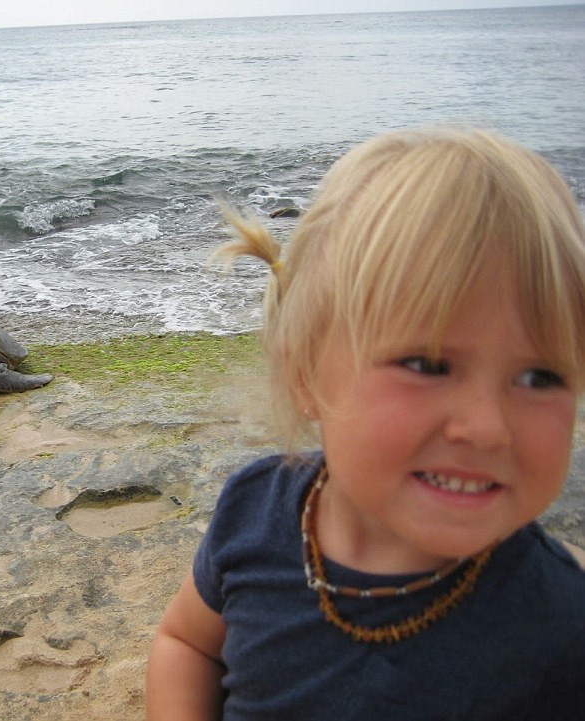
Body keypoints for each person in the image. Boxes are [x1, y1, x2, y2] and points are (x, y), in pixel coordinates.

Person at [145, 127, 585, 720]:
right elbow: (188, 644)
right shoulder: (256, 513)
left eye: (539, 378)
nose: (487, 427)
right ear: (306, 376)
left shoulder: (559, 620)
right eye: (428, 364)